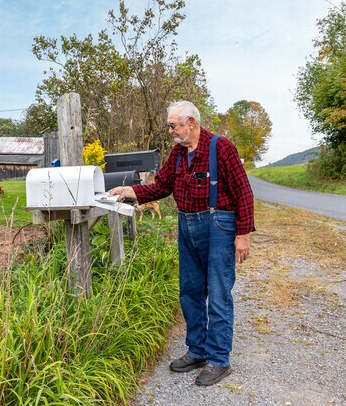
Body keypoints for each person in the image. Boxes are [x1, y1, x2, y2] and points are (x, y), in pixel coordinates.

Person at [108, 100, 255, 386]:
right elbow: (160, 186)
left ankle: (218, 359)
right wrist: (128, 191)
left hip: (219, 226)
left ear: (191, 122)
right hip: (187, 226)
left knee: (219, 292)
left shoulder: (220, 147)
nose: (171, 131)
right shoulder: (177, 154)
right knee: (189, 291)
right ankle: (198, 350)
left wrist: (243, 234)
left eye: (174, 125)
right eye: (170, 126)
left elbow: (244, 193)